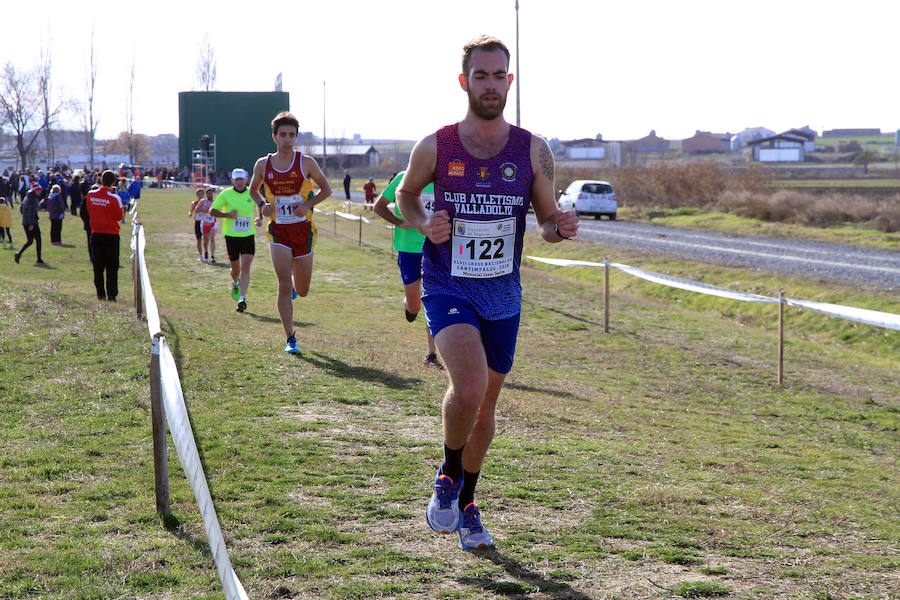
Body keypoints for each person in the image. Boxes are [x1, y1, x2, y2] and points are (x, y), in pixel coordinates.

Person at [395, 35, 579, 551]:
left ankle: (468, 501)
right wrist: (423, 221)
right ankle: (448, 473)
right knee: (470, 387)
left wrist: (561, 226)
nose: (491, 85)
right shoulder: (436, 144)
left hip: (503, 292)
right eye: (482, 76)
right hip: (447, 283)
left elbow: (543, 222)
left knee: (486, 404)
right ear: (465, 82)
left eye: (500, 76)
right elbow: (407, 196)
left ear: (510, 81)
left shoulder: (532, 150)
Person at [249, 111, 332, 354]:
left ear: (296, 137)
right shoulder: (263, 164)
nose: (287, 139)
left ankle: (297, 286)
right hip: (278, 233)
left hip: (304, 231)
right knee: (283, 284)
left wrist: (306, 206)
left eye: (292, 135)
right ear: (274, 136)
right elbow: (254, 190)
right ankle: (290, 338)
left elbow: (327, 190)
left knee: (302, 290)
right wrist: (262, 203)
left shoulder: (306, 162)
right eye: (283, 135)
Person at [373, 171, 443, 368]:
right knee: (415, 306)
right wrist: (400, 222)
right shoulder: (404, 177)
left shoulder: (446, 178)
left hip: (437, 247)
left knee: (433, 299)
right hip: (409, 250)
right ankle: (408, 303)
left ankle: (432, 354)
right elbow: (378, 207)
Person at [209, 168, 259, 312]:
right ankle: (235, 282)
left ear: (246, 179)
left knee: (246, 267)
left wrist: (259, 218)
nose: (239, 182)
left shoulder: (252, 193)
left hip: (248, 235)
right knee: (236, 269)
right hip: (231, 237)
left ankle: (242, 298)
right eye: (236, 179)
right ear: (232, 181)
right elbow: (212, 211)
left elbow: (260, 205)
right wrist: (227, 215)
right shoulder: (226, 194)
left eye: (241, 179)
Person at [85, 170, 125, 301]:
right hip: (111, 235)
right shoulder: (115, 198)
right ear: (113, 182)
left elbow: (89, 210)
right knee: (112, 267)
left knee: (98, 266)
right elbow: (119, 217)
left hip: (96, 233)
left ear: (101, 180)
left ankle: (100, 294)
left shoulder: (91, 195)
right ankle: (112, 295)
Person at [15, 184, 45, 265]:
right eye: (40, 191)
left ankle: (19, 254)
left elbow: (21, 210)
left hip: (25, 222)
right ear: (36, 191)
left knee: (30, 241)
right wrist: (31, 224)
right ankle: (39, 259)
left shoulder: (26, 197)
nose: (40, 192)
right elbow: (32, 212)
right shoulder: (33, 200)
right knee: (38, 240)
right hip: (32, 223)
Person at [188, 187, 206, 261]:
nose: (200, 196)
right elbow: (191, 211)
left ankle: (206, 254)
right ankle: (201, 255)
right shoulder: (194, 203)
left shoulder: (206, 202)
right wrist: (190, 213)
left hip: (205, 222)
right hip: (198, 222)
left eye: (202, 194)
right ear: (197, 195)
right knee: (198, 240)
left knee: (206, 239)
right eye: (199, 194)